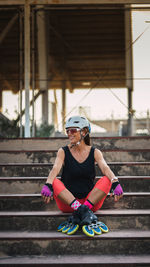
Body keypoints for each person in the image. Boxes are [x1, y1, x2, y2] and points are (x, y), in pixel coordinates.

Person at [41, 116, 123, 237]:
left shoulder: (95, 152)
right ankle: (84, 212)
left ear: (84, 132)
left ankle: (81, 211)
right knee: (54, 181)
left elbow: (105, 168)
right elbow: (55, 168)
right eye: (67, 131)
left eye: (73, 130)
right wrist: (48, 183)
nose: (69, 134)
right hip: (68, 204)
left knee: (107, 179)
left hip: (91, 202)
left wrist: (115, 181)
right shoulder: (63, 151)